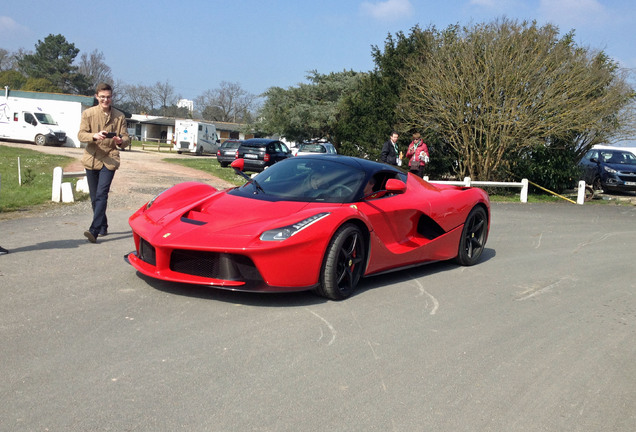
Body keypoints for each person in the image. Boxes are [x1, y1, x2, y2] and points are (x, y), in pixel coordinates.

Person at [78, 83, 130, 243]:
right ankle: (103, 225)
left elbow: (126, 139)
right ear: (96, 97)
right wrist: (94, 136)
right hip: (92, 158)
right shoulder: (88, 114)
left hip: (110, 158)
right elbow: (81, 135)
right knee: (94, 197)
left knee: (102, 194)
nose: (105, 100)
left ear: (111, 97)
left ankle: (94, 230)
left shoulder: (119, 116)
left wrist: (121, 141)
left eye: (108, 97)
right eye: (102, 97)